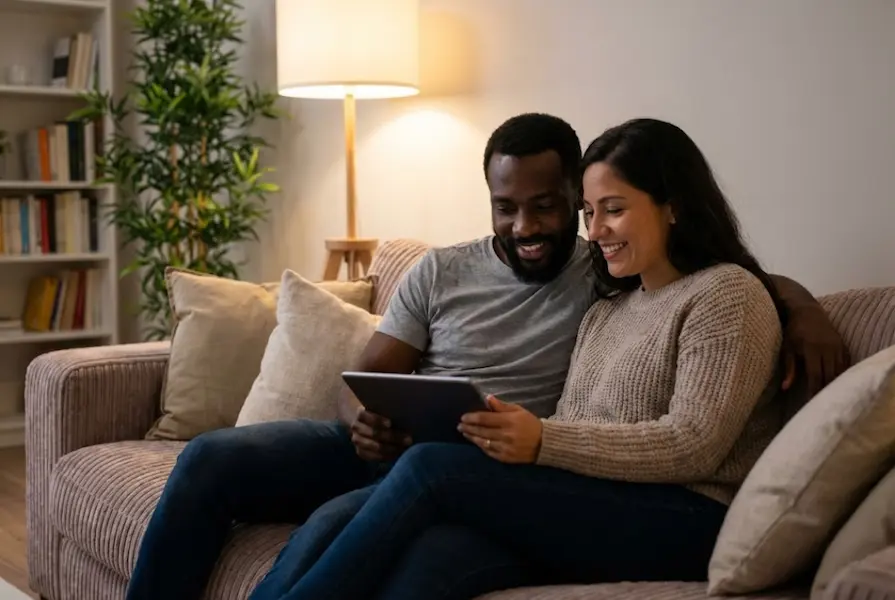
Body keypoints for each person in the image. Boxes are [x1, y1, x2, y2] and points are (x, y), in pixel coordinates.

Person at [125, 114, 848, 600]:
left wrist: (801, 304)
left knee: (429, 468)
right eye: (593, 214)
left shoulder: (721, 294)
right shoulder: (608, 301)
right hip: (561, 491)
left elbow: (695, 437)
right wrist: (526, 443)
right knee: (416, 559)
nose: (591, 230)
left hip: (680, 513)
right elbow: (571, 420)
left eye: (608, 209)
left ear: (674, 206)